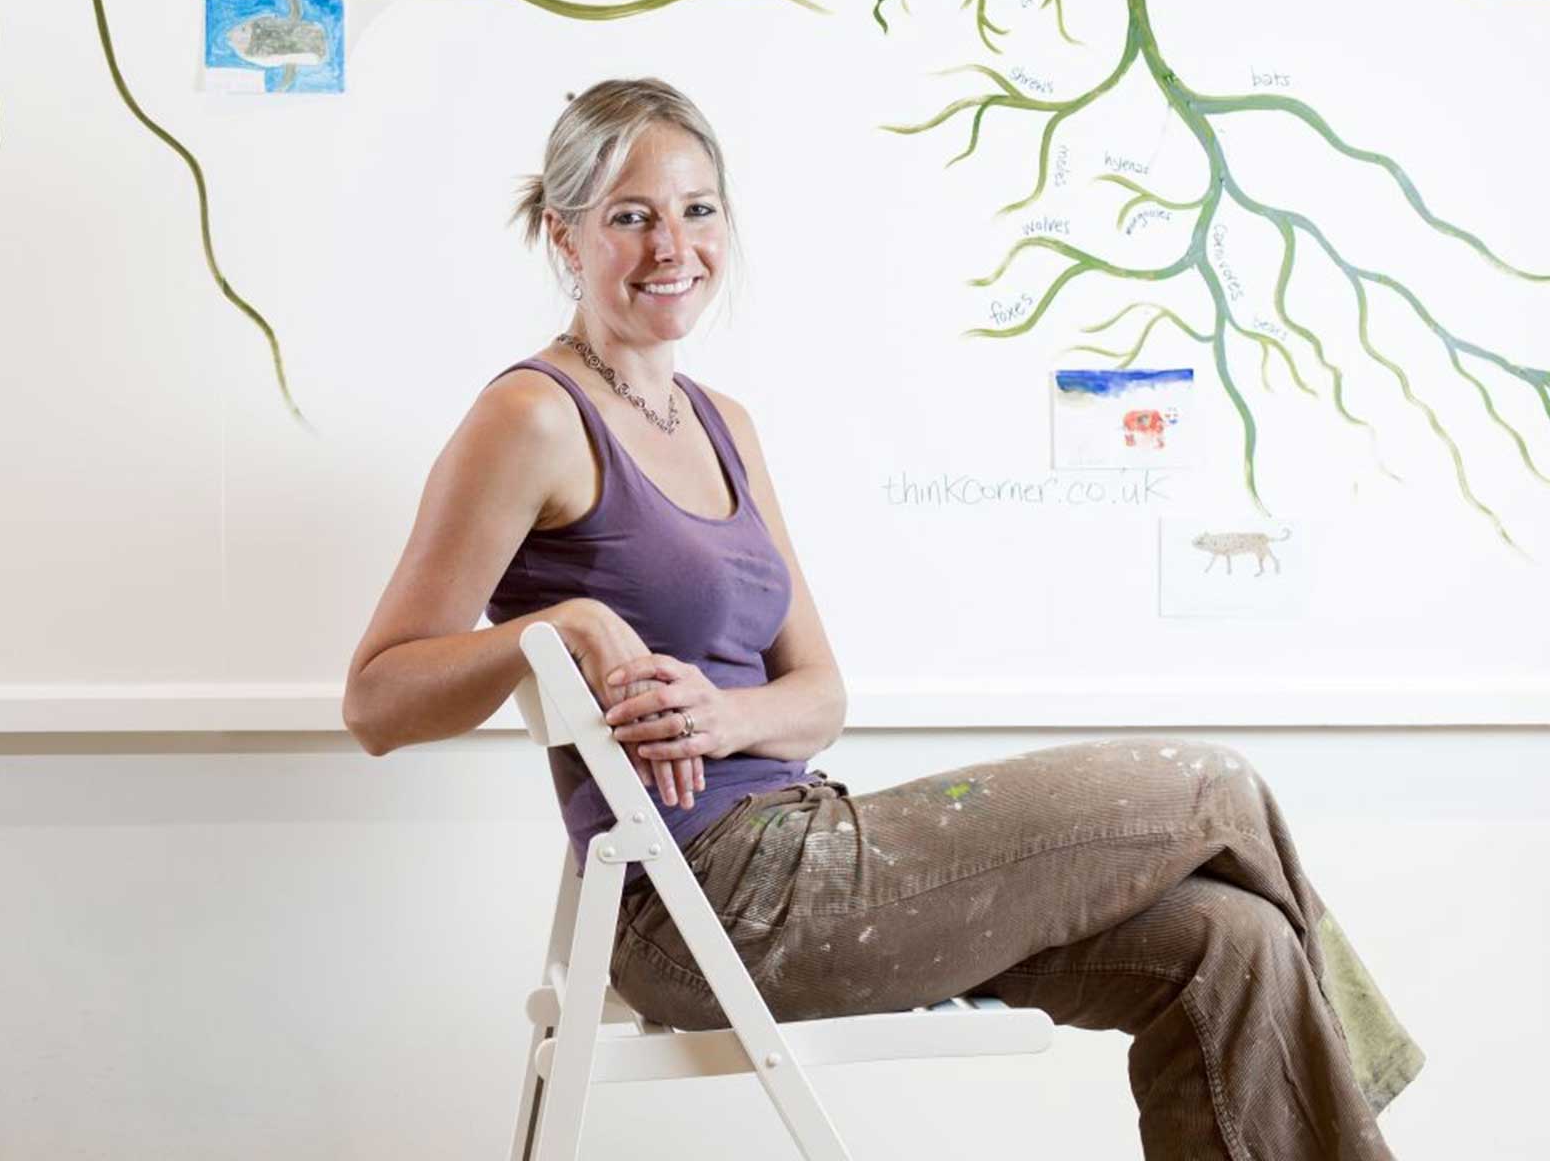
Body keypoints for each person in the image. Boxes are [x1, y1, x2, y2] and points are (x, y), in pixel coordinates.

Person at [342, 77, 1423, 1159]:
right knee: (1212, 788)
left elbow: (818, 698)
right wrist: (558, 624)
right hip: (709, 902)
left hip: (805, 847)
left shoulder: (726, 426)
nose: (672, 243)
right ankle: (1359, 1080)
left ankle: (1332, 1081)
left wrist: (722, 717)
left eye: (698, 208)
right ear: (562, 235)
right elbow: (377, 697)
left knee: (1227, 943)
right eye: (630, 216)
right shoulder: (529, 417)